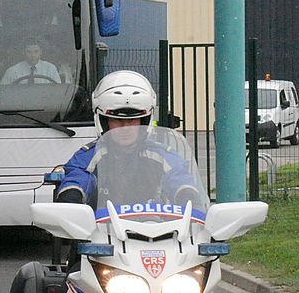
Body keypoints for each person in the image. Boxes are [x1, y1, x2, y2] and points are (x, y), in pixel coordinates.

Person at [53, 71, 202, 211]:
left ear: (145, 121)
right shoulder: (90, 156)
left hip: (158, 231)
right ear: (104, 121)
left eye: (132, 120)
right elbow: (77, 176)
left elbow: (179, 176)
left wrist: (188, 195)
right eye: (117, 120)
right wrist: (71, 195)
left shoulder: (161, 155)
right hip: (102, 234)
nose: (125, 127)